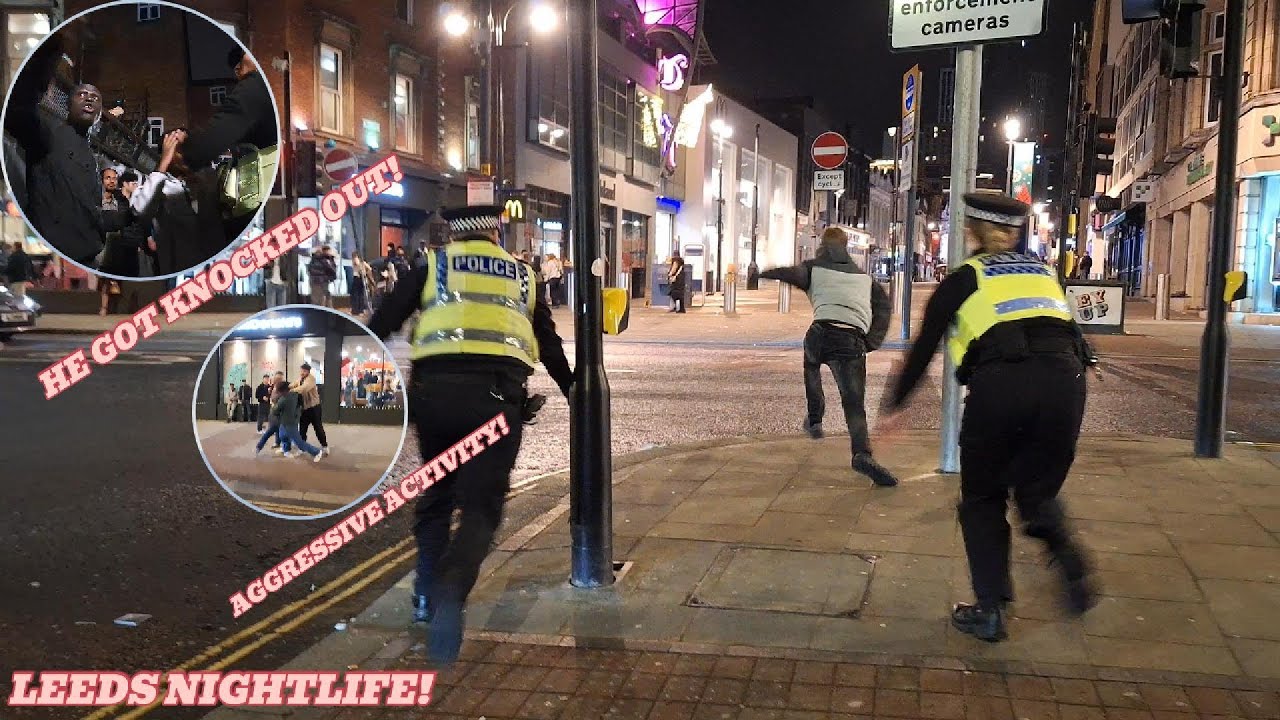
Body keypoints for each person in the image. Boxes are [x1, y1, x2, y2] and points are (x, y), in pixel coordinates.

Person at [878, 192, 1098, 642]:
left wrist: (893, 408)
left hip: (1000, 389)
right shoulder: (1044, 273)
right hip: (1065, 385)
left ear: (971, 230)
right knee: (1037, 493)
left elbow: (922, 349)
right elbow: (1071, 332)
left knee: (982, 498)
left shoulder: (963, 279)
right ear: (1015, 231)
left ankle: (990, 608)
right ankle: (1069, 559)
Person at [368, 205, 574, 665]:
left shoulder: (432, 266)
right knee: (482, 507)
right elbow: (548, 342)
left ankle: (423, 592)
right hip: (496, 402)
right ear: (495, 233)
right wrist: (575, 390)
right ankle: (452, 587)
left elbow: (381, 324)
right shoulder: (522, 276)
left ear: (454, 235)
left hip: (434, 399)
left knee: (437, 494)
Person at [761, 227, 897, 487]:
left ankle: (814, 419)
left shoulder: (814, 269)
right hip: (851, 339)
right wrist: (870, 341)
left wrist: (763, 273)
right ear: (846, 247)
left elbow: (789, 274)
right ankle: (861, 453)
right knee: (854, 404)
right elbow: (883, 310)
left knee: (811, 364)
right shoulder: (865, 280)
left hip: (820, 332)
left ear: (822, 246)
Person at [4, 37, 129, 267]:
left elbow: (91, 214)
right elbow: (17, 109)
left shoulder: (91, 156)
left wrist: (128, 215)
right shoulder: (47, 132)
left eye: (96, 97)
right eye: (82, 94)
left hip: (91, 258)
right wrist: (48, 52)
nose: (90, 97)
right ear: (68, 105)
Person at [129, 130, 226, 275]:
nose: (185, 154)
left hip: (215, 267)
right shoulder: (158, 185)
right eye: (178, 149)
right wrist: (162, 166)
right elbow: (139, 209)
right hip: (179, 272)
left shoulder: (206, 178)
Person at [257, 381, 322, 462]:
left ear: (282, 391)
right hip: (288, 421)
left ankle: (317, 452)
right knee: (283, 436)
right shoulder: (294, 395)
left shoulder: (284, 399)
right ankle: (286, 450)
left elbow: (275, 411)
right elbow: (299, 406)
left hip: (289, 423)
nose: (277, 392)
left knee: (299, 443)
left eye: (278, 391)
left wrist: (273, 405)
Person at [291, 363, 329, 456]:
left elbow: (304, 388)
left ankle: (324, 446)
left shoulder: (311, 379)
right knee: (302, 429)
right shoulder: (300, 379)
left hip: (314, 407)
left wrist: (292, 390)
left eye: (304, 371)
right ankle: (302, 448)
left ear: (308, 371)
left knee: (318, 427)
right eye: (301, 370)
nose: (302, 373)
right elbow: (294, 384)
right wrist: (286, 388)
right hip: (304, 408)